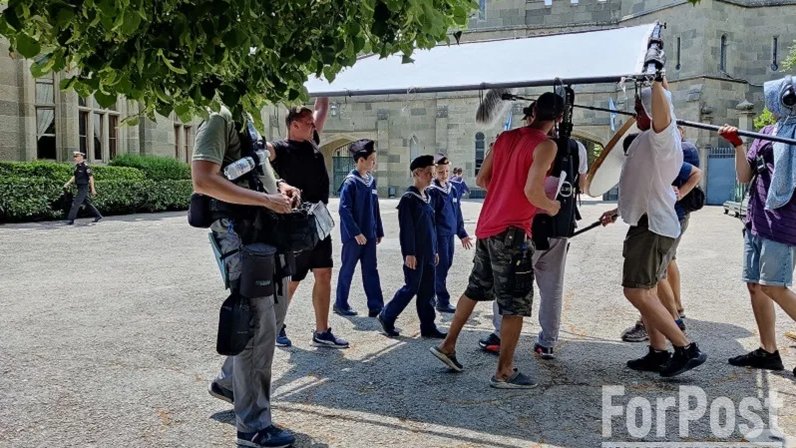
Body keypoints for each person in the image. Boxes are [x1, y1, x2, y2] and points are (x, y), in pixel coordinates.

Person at [429, 92, 563, 389]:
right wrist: (551, 206)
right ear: (559, 119)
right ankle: (504, 371)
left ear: (533, 112)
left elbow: (482, 180)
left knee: (475, 288)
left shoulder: (504, 138)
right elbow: (532, 191)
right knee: (514, 302)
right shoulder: (546, 145)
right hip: (513, 232)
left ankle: (448, 346)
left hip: (488, 226)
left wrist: (505, 191)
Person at [193, 106, 301, 448]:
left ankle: (229, 382)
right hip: (243, 234)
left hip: (265, 232)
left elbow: (254, 170)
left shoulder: (245, 118)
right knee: (258, 324)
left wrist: (280, 187)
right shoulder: (219, 117)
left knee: (276, 312)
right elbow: (204, 179)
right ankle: (252, 426)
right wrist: (266, 201)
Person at [599, 76, 707, 378]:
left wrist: (656, 77)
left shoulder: (663, 138)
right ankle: (658, 352)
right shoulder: (647, 140)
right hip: (644, 223)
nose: (636, 116)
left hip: (654, 227)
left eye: (639, 109)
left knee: (636, 291)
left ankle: (685, 348)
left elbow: (662, 107)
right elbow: (640, 186)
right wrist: (618, 211)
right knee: (647, 290)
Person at [478, 111, 589, 360]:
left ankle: (499, 335)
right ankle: (548, 341)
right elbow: (582, 185)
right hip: (559, 225)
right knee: (552, 287)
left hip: (526, 224)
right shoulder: (576, 147)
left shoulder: (528, 143)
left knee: (508, 283)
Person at [717, 74, 796, 377]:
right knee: (756, 287)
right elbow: (744, 176)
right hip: (756, 218)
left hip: (786, 223)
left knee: (772, 286)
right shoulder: (766, 132)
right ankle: (768, 351)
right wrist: (737, 144)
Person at [268, 98, 350, 349]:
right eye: (307, 123)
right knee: (292, 280)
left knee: (324, 272)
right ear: (294, 125)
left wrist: (326, 88)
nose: (313, 126)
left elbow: (321, 108)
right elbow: (263, 151)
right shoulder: (280, 149)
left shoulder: (312, 141)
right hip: (295, 225)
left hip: (318, 222)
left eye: (313, 123)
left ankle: (322, 331)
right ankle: (275, 326)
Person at [620, 126, 703, 342]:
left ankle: (681, 341)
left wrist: (680, 194)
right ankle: (662, 342)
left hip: (662, 222)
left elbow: (695, 173)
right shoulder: (650, 161)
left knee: (646, 285)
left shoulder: (665, 159)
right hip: (659, 221)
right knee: (657, 277)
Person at [377, 155, 446, 338]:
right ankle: (387, 315)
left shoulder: (428, 196)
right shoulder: (409, 198)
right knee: (412, 286)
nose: (432, 177)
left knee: (428, 289)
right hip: (415, 252)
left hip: (429, 251)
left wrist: (436, 250)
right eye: (428, 173)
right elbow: (406, 229)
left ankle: (428, 325)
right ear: (416, 173)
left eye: (432, 173)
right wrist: (409, 253)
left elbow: (432, 226)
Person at [333, 139, 385, 317]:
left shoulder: (371, 181)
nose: (373, 163)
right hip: (354, 237)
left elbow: (375, 207)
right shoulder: (351, 182)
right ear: (360, 160)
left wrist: (378, 230)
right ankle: (341, 303)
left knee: (371, 270)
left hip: (369, 235)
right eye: (371, 159)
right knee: (348, 269)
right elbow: (344, 210)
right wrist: (356, 233)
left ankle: (376, 305)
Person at [427, 154, 473, 313]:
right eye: (440, 172)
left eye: (446, 171)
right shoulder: (432, 192)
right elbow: (430, 218)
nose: (444, 174)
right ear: (434, 172)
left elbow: (457, 213)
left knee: (447, 264)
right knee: (441, 266)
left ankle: (432, 293)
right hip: (439, 235)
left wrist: (462, 233)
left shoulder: (452, 189)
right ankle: (442, 300)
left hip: (450, 234)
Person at [64, 151, 103, 225]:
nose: (75, 158)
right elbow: (75, 177)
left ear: (81, 157)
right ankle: (98, 215)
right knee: (87, 203)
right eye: (74, 157)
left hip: (84, 187)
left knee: (76, 203)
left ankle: (71, 219)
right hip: (79, 187)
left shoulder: (86, 166)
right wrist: (68, 183)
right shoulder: (77, 167)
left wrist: (93, 189)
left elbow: (91, 178)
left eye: (76, 156)